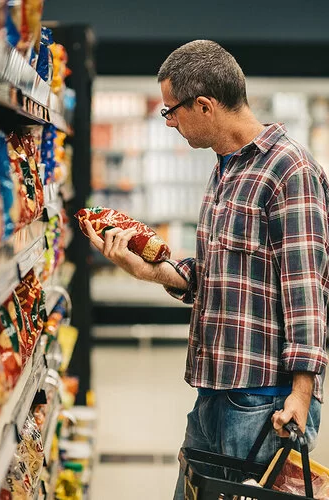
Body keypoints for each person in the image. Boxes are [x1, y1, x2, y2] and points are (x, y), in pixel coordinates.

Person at [84, 40, 329, 498]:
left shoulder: (288, 171)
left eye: (171, 111)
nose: (170, 121)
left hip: (264, 400)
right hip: (213, 392)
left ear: (204, 105)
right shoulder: (225, 169)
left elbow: (307, 292)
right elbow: (211, 275)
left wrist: (302, 394)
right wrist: (145, 270)